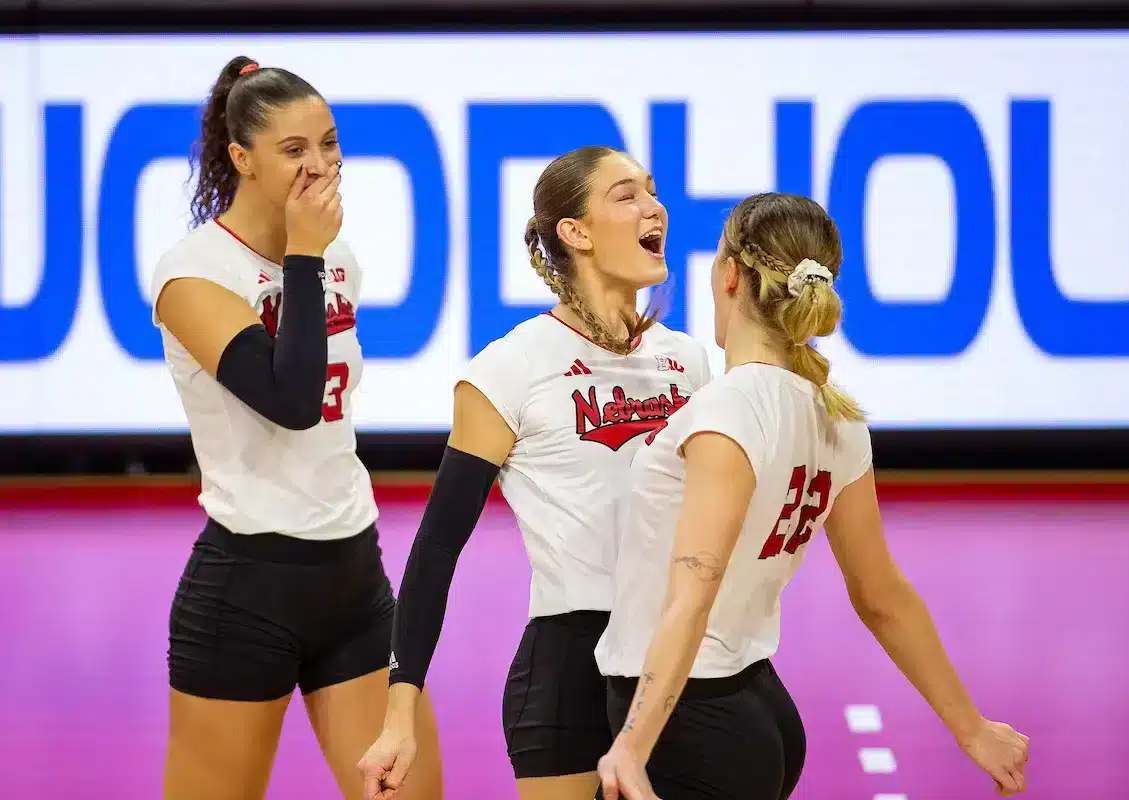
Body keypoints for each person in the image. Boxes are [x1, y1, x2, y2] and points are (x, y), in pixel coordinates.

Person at [592, 192, 1031, 800]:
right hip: (753, 707)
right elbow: (882, 597)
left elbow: (694, 593)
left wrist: (634, 745)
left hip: (687, 727)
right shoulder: (836, 417)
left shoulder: (729, 408)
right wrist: (971, 727)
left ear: (729, 276)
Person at [358, 146, 713, 800]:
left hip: (681, 658)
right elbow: (436, 548)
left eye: (653, 192)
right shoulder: (509, 369)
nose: (654, 206)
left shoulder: (694, 363)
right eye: (626, 194)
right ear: (575, 232)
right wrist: (399, 715)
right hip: (568, 669)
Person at [152, 55, 442, 800]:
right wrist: (304, 256)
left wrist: (314, 256)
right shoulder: (193, 275)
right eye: (293, 150)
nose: (320, 165)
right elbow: (290, 399)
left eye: (329, 142)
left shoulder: (337, 260)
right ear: (241, 159)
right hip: (248, 589)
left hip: (354, 578)